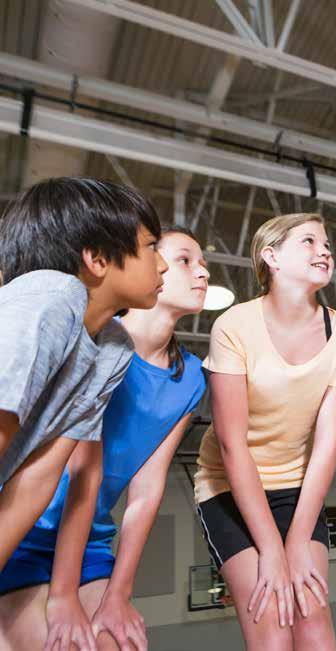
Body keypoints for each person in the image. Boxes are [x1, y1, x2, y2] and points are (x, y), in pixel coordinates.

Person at [0, 227, 209, 651]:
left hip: (89, 542)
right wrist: (62, 596)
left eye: (203, 263)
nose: (202, 271)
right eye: (185, 260)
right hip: (24, 527)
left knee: (122, 642)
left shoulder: (190, 378)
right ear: (152, 264)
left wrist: (118, 593)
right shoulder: (100, 339)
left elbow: (146, 491)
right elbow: (81, 469)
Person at [194, 213, 336, 650]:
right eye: (308, 241)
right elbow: (231, 445)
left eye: (327, 244)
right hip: (229, 488)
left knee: (312, 615)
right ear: (271, 257)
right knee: (272, 618)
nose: (324, 251)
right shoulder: (233, 326)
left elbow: (328, 443)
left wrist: (299, 539)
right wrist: (272, 548)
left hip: (296, 488)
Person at [0, 178, 164, 602]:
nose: (162, 265)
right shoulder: (50, 299)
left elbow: (40, 475)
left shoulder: (113, 347)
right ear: (97, 259)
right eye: (151, 246)